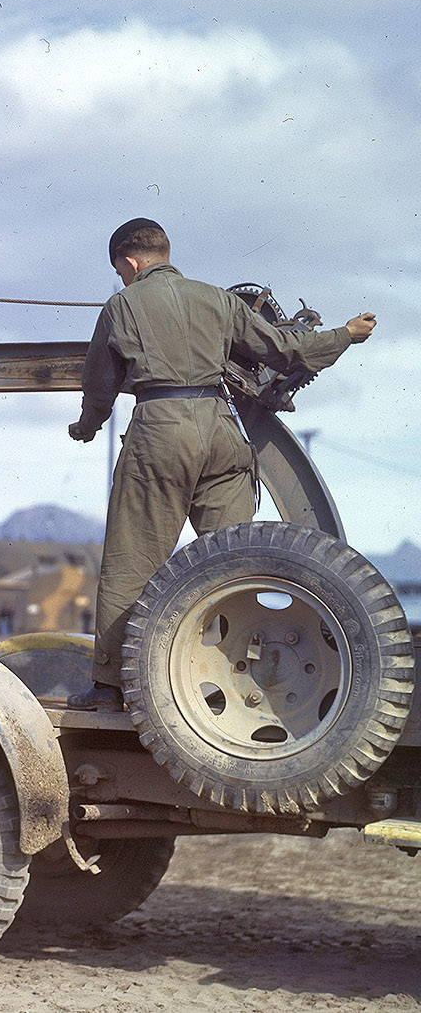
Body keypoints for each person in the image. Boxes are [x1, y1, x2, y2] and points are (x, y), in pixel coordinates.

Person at [67, 218, 376, 711]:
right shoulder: (218, 299)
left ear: (129, 263)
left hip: (160, 432)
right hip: (222, 432)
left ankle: (109, 688)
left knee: (133, 561)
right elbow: (285, 348)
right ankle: (225, 689)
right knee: (227, 566)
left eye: (121, 271)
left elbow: (99, 385)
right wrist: (345, 335)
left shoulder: (122, 304)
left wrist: (86, 426)